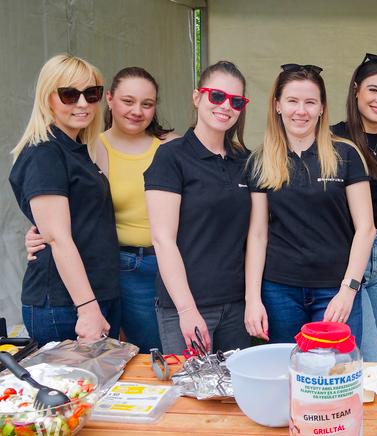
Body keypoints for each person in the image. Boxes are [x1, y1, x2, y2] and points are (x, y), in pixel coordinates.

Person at [25, 67, 179, 352]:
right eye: (128, 101)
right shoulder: (86, 147)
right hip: (120, 265)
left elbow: (79, 207)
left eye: (147, 104)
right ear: (110, 99)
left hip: (168, 262)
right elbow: (62, 219)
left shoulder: (171, 145)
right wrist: (42, 232)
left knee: (165, 353)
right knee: (142, 355)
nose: (137, 111)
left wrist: (48, 229)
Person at [244, 63, 374, 345]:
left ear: (322, 108)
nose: (300, 111)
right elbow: (257, 233)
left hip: (335, 289)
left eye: (310, 102)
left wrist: (348, 290)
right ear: (277, 105)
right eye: (292, 101)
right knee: (287, 375)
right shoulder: (260, 160)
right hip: (280, 290)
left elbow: (366, 229)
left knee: (338, 376)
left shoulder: (345, 154)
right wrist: (252, 298)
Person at [9, 54, 120, 344]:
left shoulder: (81, 149)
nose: (83, 104)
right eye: (70, 95)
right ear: (48, 99)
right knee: (70, 390)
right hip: (66, 304)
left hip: (93, 295)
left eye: (91, 94)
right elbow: (57, 238)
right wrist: (87, 308)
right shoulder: (44, 152)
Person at [144, 61, 252, 354]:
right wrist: (187, 310)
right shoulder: (171, 157)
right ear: (197, 97)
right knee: (192, 396)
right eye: (216, 96)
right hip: (187, 305)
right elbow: (162, 239)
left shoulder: (245, 161)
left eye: (236, 101)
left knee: (233, 397)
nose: (225, 106)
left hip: (235, 305)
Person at [331, 53, 377, 361]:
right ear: (356, 90)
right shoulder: (334, 138)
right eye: (374, 90)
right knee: (366, 350)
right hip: (349, 247)